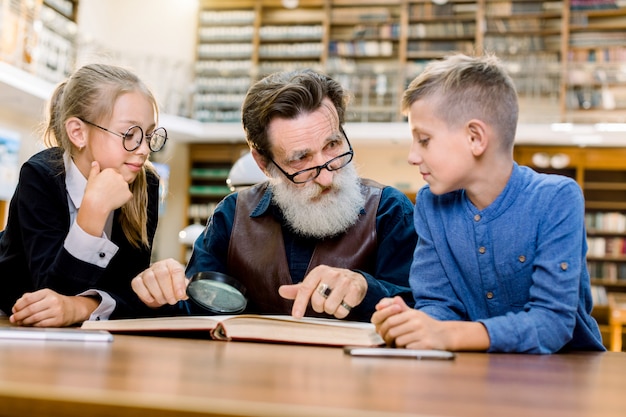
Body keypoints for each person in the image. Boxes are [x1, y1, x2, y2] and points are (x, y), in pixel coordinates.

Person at [132, 69, 417, 322]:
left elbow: (422, 311)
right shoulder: (232, 217)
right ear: (263, 164)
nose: (327, 177)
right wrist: (159, 293)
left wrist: (365, 289)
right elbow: (196, 313)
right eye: (301, 159)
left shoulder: (390, 210)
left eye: (333, 144)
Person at [371, 53, 605, 353]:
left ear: (475, 138)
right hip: (473, 372)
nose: (412, 156)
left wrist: (450, 335)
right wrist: (414, 324)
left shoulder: (557, 199)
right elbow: (438, 304)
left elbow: (551, 323)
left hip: (564, 374)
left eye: (424, 139)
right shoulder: (430, 205)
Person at [0, 63, 168, 327]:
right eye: (130, 134)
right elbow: (48, 295)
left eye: (148, 134)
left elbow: (131, 291)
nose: (145, 149)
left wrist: (82, 306)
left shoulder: (146, 185)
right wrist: (93, 211)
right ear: (78, 132)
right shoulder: (40, 176)